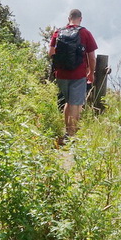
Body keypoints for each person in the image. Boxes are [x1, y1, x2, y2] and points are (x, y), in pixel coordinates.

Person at [49, 8, 99, 144]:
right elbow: (92, 57)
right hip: (78, 74)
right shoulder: (85, 33)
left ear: (68, 18)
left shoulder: (58, 32)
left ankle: (67, 132)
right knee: (76, 104)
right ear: (80, 19)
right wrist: (91, 73)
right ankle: (71, 136)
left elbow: (51, 52)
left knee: (68, 102)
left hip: (61, 74)